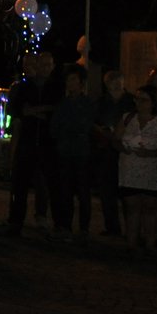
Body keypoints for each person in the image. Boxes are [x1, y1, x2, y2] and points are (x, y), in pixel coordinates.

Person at [4, 50, 58, 236]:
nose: (42, 68)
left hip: (47, 143)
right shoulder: (24, 87)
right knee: (20, 184)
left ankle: (46, 219)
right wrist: (38, 112)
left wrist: (34, 110)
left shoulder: (55, 87)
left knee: (46, 183)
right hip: (27, 142)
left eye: (46, 64)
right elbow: (19, 110)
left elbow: (55, 111)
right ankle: (16, 221)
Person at [114, 85, 157, 254]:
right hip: (130, 169)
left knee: (150, 207)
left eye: (144, 100)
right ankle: (131, 242)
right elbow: (115, 139)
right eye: (137, 99)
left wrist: (151, 153)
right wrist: (124, 148)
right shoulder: (128, 118)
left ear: (152, 103)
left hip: (151, 170)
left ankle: (150, 243)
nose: (139, 103)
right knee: (132, 206)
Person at [49, 64, 94, 240]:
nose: (70, 83)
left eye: (74, 80)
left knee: (83, 193)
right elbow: (54, 128)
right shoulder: (63, 104)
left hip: (81, 153)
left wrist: (68, 130)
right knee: (65, 192)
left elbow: (85, 126)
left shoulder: (87, 104)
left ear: (81, 83)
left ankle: (84, 228)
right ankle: (65, 225)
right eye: (68, 80)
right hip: (65, 153)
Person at [92, 70, 134, 238]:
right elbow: (93, 122)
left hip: (125, 149)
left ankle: (131, 228)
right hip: (106, 150)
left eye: (118, 81)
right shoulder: (101, 102)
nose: (116, 85)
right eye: (112, 82)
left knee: (127, 192)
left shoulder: (131, 102)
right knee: (107, 191)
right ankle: (112, 227)